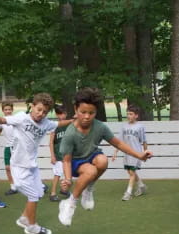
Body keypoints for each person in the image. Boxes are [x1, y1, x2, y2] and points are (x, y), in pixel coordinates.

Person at [58, 88, 153, 226]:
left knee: (103, 161)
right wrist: (67, 179)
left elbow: (119, 143)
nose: (86, 116)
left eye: (91, 113)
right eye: (83, 112)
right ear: (75, 109)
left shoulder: (100, 127)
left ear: (96, 112)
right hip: (75, 161)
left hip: (92, 155)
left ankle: (88, 189)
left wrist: (140, 155)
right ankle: (70, 203)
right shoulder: (70, 133)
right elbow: (66, 160)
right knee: (90, 171)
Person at [0, 93, 72, 234]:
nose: (41, 114)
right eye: (38, 109)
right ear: (32, 106)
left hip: (32, 167)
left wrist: (73, 121)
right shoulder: (21, 118)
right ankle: (32, 226)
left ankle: (24, 218)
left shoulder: (46, 123)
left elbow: (58, 124)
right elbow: (3, 120)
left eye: (44, 112)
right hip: (18, 167)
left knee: (39, 192)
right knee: (33, 196)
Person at [111, 104, 148, 201]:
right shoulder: (124, 127)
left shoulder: (140, 127)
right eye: (127, 114)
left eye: (131, 114)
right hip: (126, 153)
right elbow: (119, 142)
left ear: (136, 115)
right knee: (130, 171)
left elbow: (144, 141)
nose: (128, 116)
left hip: (136, 153)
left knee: (131, 172)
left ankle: (128, 193)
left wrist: (145, 154)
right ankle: (141, 186)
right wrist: (115, 152)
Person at [0, 101, 18, 195]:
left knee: (23, 168)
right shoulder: (1, 121)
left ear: (12, 110)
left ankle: (39, 185)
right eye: (5, 110)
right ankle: (13, 187)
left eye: (9, 109)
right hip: (8, 147)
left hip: (17, 147)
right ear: (3, 111)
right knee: (8, 168)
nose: (7, 111)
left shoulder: (16, 119)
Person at [48, 104, 71, 202]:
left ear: (66, 114)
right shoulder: (55, 126)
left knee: (67, 174)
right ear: (57, 115)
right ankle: (53, 193)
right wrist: (52, 155)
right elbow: (51, 142)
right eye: (59, 114)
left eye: (63, 113)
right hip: (58, 154)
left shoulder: (70, 125)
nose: (61, 116)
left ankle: (64, 190)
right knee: (57, 174)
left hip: (68, 155)